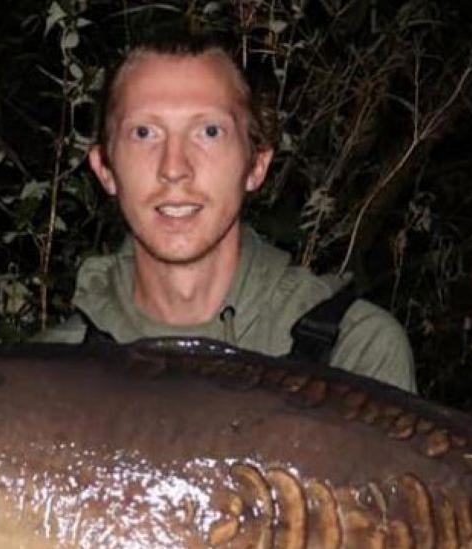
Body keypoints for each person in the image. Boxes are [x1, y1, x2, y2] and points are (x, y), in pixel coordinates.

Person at [34, 32, 416, 392]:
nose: (174, 168)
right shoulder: (44, 378)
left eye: (210, 132)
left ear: (256, 165)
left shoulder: (353, 352)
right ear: (105, 169)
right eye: (144, 133)